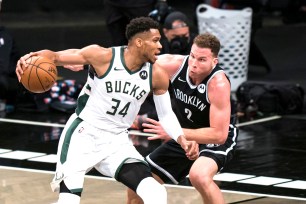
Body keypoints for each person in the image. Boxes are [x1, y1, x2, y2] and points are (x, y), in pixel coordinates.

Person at [16, 17, 195, 204]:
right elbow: (53, 56)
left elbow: (166, 114)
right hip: (83, 135)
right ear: (139, 42)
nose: (160, 46)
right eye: (155, 40)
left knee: (155, 192)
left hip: (116, 141)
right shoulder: (103, 57)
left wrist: (181, 138)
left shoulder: (157, 74)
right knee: (68, 201)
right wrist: (30, 57)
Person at [127, 33, 239, 204]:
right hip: (184, 132)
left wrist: (176, 132)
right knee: (138, 180)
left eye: (202, 59)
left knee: (199, 176)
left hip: (214, 137)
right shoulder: (175, 65)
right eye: (192, 56)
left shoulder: (218, 84)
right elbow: (130, 58)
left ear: (214, 62)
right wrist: (86, 63)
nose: (193, 64)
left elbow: (219, 135)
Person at [103, 0, 170, 46]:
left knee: (146, 38)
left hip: (141, 3)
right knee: (117, 43)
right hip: (112, 4)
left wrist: (162, 1)